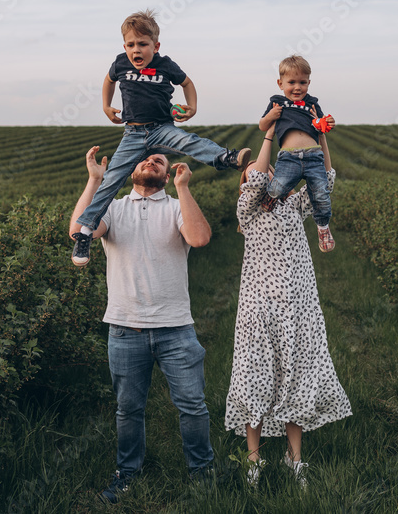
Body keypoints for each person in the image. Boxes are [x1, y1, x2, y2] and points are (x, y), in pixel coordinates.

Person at [69, 147, 215, 503]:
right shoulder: (114, 208)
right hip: (124, 328)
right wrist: (95, 182)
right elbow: (78, 232)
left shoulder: (177, 206)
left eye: (159, 161)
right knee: (128, 409)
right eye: (145, 159)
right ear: (132, 171)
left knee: (192, 406)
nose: (151, 161)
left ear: (166, 174)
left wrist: (183, 188)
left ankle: (202, 474)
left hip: (176, 327)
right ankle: (127, 474)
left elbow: (199, 238)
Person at [71, 9, 250, 267]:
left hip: (161, 127)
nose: (136, 50)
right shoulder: (120, 63)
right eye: (131, 44)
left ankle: (225, 157)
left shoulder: (165, 65)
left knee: (188, 141)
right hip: (132, 134)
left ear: (155, 46)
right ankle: (86, 232)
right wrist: (106, 106)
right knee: (111, 181)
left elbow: (187, 83)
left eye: (143, 44)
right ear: (124, 46)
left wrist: (192, 107)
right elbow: (108, 81)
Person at [224, 128, 352, 488]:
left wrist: (319, 138)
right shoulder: (248, 210)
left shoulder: (295, 205)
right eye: (257, 172)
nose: (265, 174)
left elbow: (324, 180)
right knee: (255, 377)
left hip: (298, 307)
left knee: (295, 376)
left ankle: (294, 459)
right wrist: (268, 135)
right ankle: (254, 459)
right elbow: (258, 180)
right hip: (259, 307)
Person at [258, 54, 337, 252]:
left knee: (321, 193)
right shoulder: (277, 103)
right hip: (289, 157)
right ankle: (269, 200)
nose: (297, 87)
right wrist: (270, 116)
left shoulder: (312, 103)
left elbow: (322, 125)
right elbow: (262, 126)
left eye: (302, 82)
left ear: (309, 83)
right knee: (278, 187)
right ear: (280, 83)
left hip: (314, 156)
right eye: (291, 82)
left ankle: (323, 227)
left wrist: (327, 122)